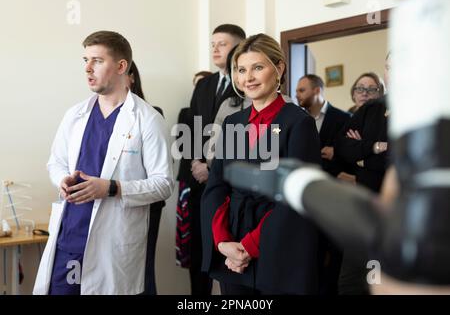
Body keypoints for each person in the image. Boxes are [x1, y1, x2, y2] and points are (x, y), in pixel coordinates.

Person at [33, 31, 174, 295]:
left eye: (97, 60)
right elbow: (55, 163)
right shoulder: (75, 115)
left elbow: (163, 184)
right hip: (70, 238)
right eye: (85, 59)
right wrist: (61, 179)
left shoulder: (148, 119)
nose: (87, 68)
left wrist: (112, 188)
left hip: (113, 244)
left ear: (121, 66)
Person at [201, 33, 321, 295]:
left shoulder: (299, 123)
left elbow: (297, 196)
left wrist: (250, 245)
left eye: (258, 67)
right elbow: (217, 186)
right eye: (241, 70)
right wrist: (223, 242)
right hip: (232, 248)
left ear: (278, 68)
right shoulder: (233, 122)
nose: (248, 78)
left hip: (277, 245)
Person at [188, 24, 246, 295]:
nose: (215, 48)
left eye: (222, 43)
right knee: (201, 249)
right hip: (203, 178)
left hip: (233, 176)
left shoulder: (245, 85)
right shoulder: (205, 84)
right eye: (212, 44)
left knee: (231, 252)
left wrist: (211, 166)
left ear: (240, 46)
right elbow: (195, 126)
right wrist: (197, 163)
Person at [335, 60, 390, 295]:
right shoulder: (372, 109)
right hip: (360, 208)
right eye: (389, 66)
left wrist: (363, 157)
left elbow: (402, 159)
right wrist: (376, 147)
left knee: (379, 282)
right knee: (350, 282)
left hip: (392, 210)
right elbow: (342, 147)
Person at [296, 74, 351, 295]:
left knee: (334, 253)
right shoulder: (297, 119)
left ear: (317, 90)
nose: (297, 95)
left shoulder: (343, 118)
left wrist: (335, 153)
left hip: (333, 195)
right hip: (304, 196)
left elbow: (349, 155)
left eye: (302, 90)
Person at [126, 60, 166, 295]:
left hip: (147, 203)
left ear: (131, 77)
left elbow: (160, 173)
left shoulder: (151, 114)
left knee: (143, 268)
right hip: (112, 202)